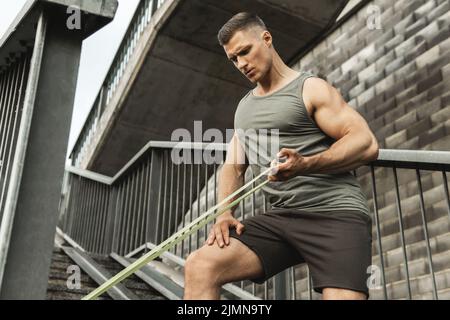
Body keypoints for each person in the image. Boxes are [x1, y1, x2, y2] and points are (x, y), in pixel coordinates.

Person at [183, 12, 379, 300]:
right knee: (200, 265)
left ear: (266, 38)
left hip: (335, 213)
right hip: (282, 218)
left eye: (245, 52)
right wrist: (225, 213)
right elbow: (233, 167)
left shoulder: (310, 88)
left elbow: (366, 143)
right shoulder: (244, 109)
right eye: (234, 59)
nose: (242, 64)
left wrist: (306, 164)